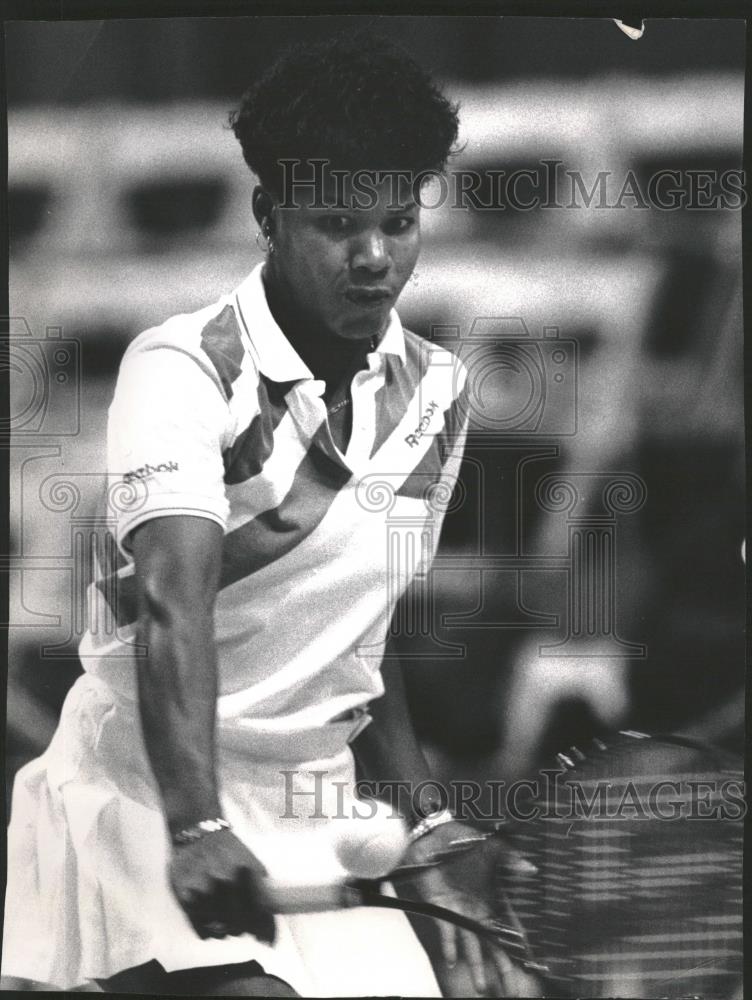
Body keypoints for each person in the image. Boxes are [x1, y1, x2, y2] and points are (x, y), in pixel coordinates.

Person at [1, 34, 525, 997]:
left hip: (316, 810)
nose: (375, 258)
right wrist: (198, 823)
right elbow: (172, 607)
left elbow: (363, 646)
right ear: (267, 215)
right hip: (145, 792)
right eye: (336, 224)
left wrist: (426, 819)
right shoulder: (183, 370)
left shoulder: (439, 394)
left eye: (399, 223)